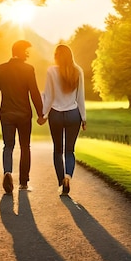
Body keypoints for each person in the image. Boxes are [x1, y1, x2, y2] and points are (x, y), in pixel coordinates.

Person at [0, 40, 45, 194]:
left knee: (8, 146)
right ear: (21, 52)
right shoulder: (28, 69)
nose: (28, 53)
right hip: (24, 115)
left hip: (6, 114)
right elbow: (34, 92)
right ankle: (23, 183)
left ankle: (7, 172)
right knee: (25, 147)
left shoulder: (0, 69)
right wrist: (41, 114)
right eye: (27, 50)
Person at [41, 44, 86, 196]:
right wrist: (84, 118)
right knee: (70, 150)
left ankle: (61, 182)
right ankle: (68, 176)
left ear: (57, 56)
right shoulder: (78, 70)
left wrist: (44, 114)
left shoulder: (51, 71)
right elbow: (80, 97)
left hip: (56, 114)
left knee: (58, 150)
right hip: (73, 114)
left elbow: (49, 95)